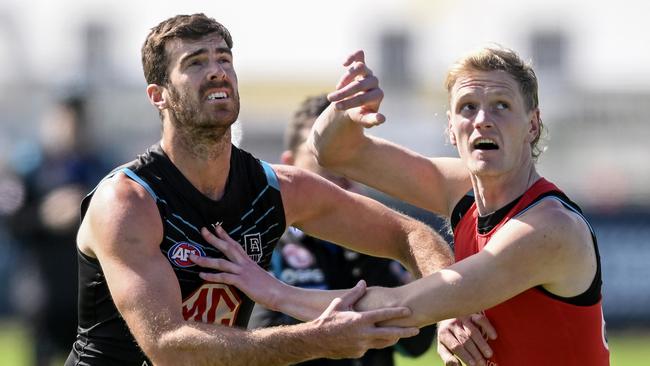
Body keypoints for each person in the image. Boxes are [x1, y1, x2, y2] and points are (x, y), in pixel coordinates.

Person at [64, 14, 455, 366]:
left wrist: (455, 311)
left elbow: (409, 234)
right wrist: (317, 339)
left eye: (224, 59)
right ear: (158, 95)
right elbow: (169, 347)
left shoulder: (274, 189)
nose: (217, 71)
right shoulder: (129, 201)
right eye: (196, 62)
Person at [195, 46, 610, 366]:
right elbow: (334, 152)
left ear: (532, 125)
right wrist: (344, 108)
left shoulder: (547, 228)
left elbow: (400, 308)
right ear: (451, 127)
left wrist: (275, 292)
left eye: (502, 105)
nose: (483, 120)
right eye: (468, 108)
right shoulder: (461, 189)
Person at [248, 94, 436, 366]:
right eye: (324, 156)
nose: (341, 171)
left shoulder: (383, 240)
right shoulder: (265, 242)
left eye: (349, 158)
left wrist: (365, 244)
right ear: (289, 165)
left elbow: (416, 343)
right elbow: (255, 344)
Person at [7, 93, 109, 366]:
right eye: (65, 122)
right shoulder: (30, 168)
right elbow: (12, 221)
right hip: (42, 290)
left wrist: (83, 211)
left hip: (89, 292)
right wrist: (45, 216)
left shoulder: (102, 168)